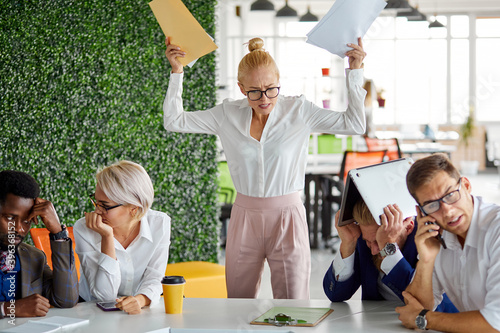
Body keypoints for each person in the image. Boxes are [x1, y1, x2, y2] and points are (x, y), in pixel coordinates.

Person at [163, 36, 367, 299]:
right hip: (244, 217)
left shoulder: (299, 110)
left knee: (293, 302)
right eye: (254, 91)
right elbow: (174, 121)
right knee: (238, 303)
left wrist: (355, 72)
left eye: (271, 88)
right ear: (241, 88)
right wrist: (177, 72)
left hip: (288, 217)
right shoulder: (227, 114)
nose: (264, 98)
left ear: (279, 81)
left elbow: (354, 124)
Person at [395, 154, 500, 332]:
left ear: (466, 186)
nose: (447, 211)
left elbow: (495, 322)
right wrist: (426, 260)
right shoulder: (438, 236)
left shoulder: (495, 229)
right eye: (431, 205)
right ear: (421, 212)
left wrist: (424, 319)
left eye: (450, 195)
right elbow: (415, 304)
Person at [323, 200, 457, 312]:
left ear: (408, 227)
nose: (375, 250)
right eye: (369, 242)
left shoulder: (430, 240)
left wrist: (389, 249)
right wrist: (348, 243)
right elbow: (335, 294)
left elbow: (429, 306)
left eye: (379, 241)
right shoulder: (365, 239)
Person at [74, 160, 171, 315]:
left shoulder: (159, 224)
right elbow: (104, 296)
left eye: (104, 205)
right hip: (92, 312)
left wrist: (139, 300)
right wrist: (107, 236)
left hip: (139, 312)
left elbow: (155, 278)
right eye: (95, 201)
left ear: (134, 208)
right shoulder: (84, 229)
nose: (97, 211)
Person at [0, 170, 78, 319]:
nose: (19, 229)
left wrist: (57, 233)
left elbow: (67, 299)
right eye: (10, 218)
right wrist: (8, 308)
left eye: (27, 220)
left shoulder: (34, 258)